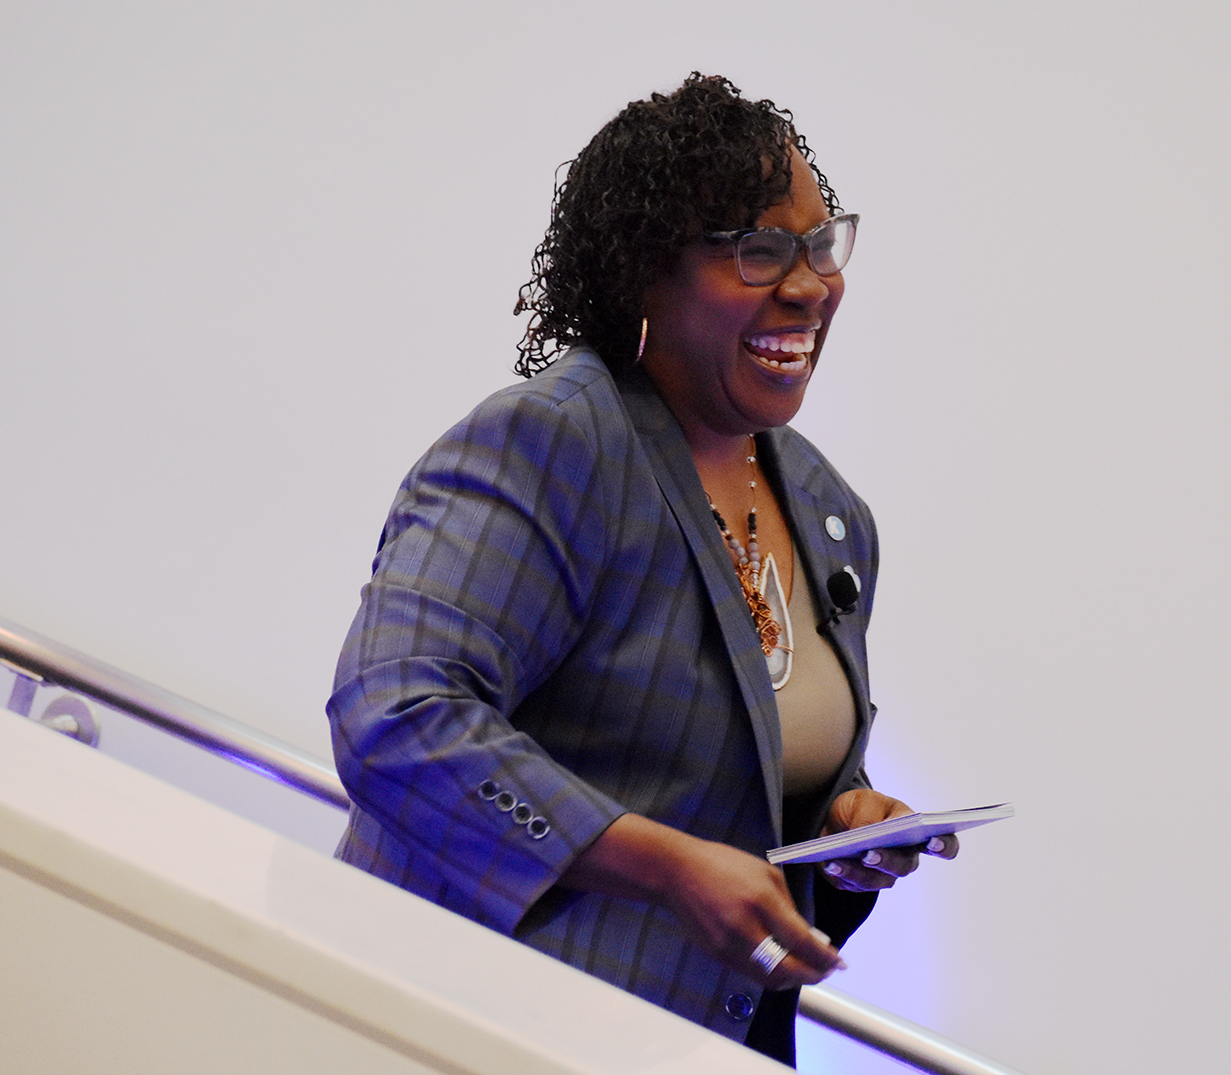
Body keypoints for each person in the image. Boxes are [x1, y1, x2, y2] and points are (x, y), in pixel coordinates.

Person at [327, 73, 957, 1065]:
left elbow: (737, 780)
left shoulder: (832, 514)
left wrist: (844, 831)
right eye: (757, 252)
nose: (806, 284)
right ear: (642, 277)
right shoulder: (552, 444)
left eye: (820, 242)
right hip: (485, 1032)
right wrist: (657, 865)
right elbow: (395, 715)